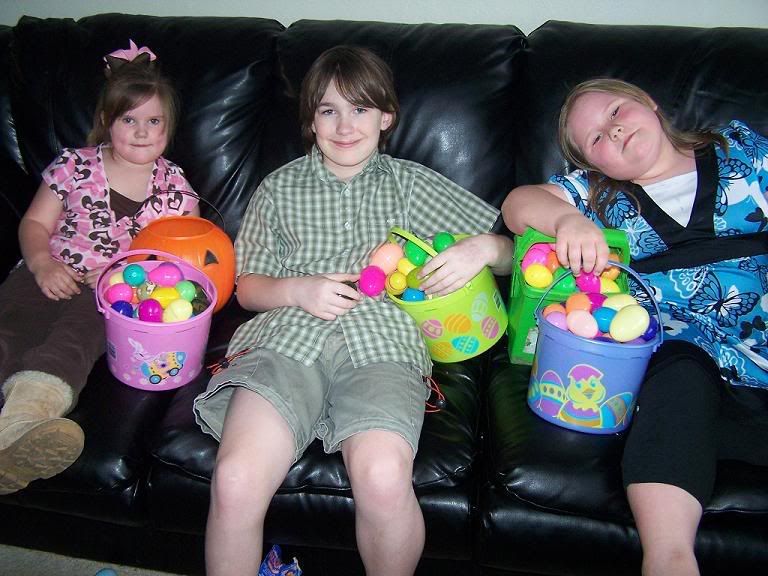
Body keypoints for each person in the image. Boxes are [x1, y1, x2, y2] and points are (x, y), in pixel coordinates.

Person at [194, 45, 512, 576]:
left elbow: (509, 254)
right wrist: (297, 291)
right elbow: (246, 287)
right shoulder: (278, 188)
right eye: (328, 110)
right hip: (285, 339)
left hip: (381, 345)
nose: (345, 126)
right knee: (234, 479)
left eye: (360, 108)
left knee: (384, 478)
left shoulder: (411, 183)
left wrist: (482, 249)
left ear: (386, 117)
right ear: (310, 122)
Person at [502, 78, 768, 576]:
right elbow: (518, 203)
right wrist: (567, 221)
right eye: (596, 139)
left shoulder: (738, 151)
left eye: (616, 111)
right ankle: (669, 556)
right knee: (675, 374)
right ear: (593, 166)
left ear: (649, 102)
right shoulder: (597, 197)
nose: (614, 130)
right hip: (685, 355)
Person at [0, 40, 199, 495]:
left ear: (169, 127)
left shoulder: (175, 185)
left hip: (115, 294)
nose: (142, 131)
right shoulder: (73, 164)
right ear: (108, 120)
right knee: (9, 328)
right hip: (46, 270)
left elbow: (187, 255)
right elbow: (35, 223)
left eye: (154, 121)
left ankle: (23, 423)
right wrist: (41, 263)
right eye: (129, 119)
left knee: (73, 342)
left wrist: (125, 269)